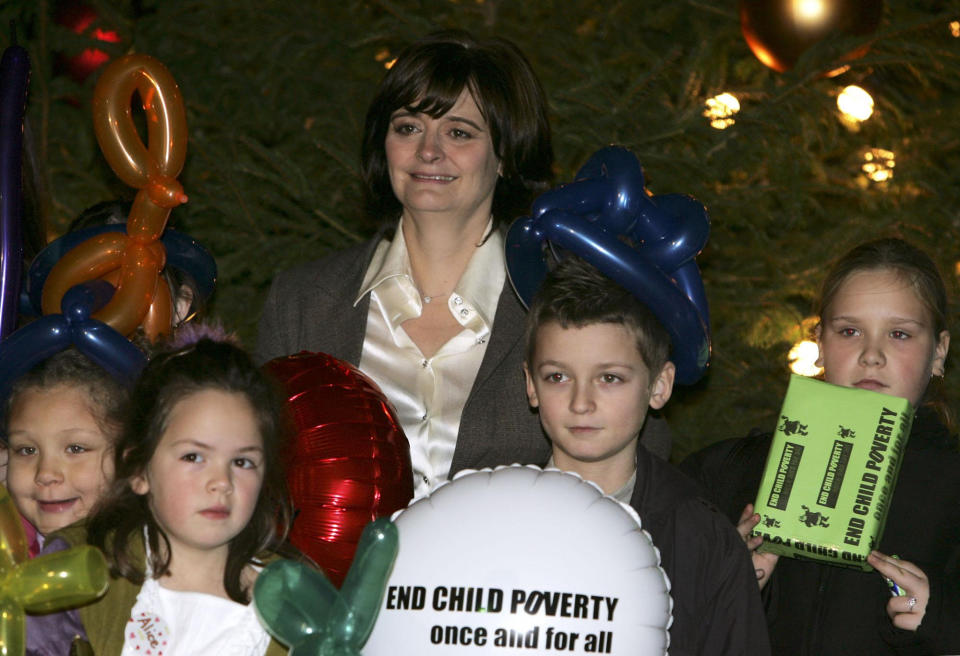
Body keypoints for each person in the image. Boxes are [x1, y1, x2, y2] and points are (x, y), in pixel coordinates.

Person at [255, 29, 671, 500]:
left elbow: (644, 473)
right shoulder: (302, 302)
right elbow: (254, 473)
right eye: (408, 127)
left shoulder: (572, 301)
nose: (428, 151)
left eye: (459, 132)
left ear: (505, 156)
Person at [681, 238, 960, 654]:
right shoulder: (732, 471)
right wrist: (727, 580)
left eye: (899, 334)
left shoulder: (950, 484)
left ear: (939, 352)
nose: (871, 354)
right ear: (820, 342)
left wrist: (938, 620)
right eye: (850, 331)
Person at [523, 257, 771, 656]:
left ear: (659, 385)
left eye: (610, 378)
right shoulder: (490, 515)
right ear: (530, 385)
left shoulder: (702, 541)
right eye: (558, 376)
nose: (580, 402)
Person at [26, 337, 295, 655]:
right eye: (193, 457)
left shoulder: (295, 599)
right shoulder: (81, 568)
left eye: (242, 462)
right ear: (139, 470)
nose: (221, 482)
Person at [3, 349, 127, 556]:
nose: (45, 474)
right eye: (27, 450)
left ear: (129, 457)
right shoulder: (7, 547)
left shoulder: (148, 560)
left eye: (75, 449)